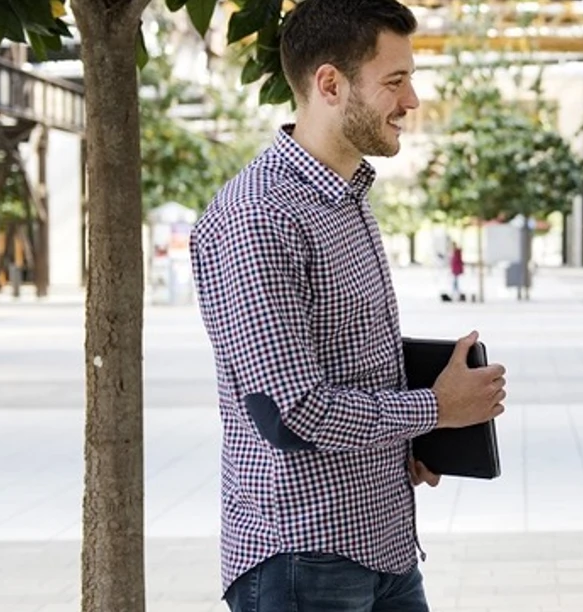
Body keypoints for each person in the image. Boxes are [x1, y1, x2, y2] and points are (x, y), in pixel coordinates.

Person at [189, 1, 507, 610]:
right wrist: (435, 409)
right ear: (329, 84)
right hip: (302, 560)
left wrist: (409, 441)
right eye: (395, 81)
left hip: (382, 543)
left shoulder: (347, 197)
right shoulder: (260, 216)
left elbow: (349, 366)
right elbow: (292, 411)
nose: (411, 100)